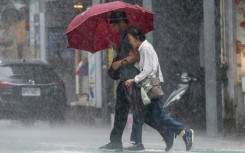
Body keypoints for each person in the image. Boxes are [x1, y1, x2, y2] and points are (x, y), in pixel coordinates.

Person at [99, 11, 174, 152]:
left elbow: (137, 56)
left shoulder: (129, 36)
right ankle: (116, 141)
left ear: (121, 22)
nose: (114, 28)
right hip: (125, 81)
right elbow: (129, 55)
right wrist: (117, 50)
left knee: (143, 115)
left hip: (132, 81)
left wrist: (120, 62)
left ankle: (165, 134)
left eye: (115, 25)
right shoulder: (124, 38)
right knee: (123, 112)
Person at [124, 26, 194, 152]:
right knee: (149, 116)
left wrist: (134, 79)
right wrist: (133, 60)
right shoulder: (143, 48)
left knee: (150, 115)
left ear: (137, 38)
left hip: (150, 85)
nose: (130, 42)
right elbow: (145, 67)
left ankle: (183, 132)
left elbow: (148, 69)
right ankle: (169, 134)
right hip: (149, 84)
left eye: (131, 39)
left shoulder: (145, 48)